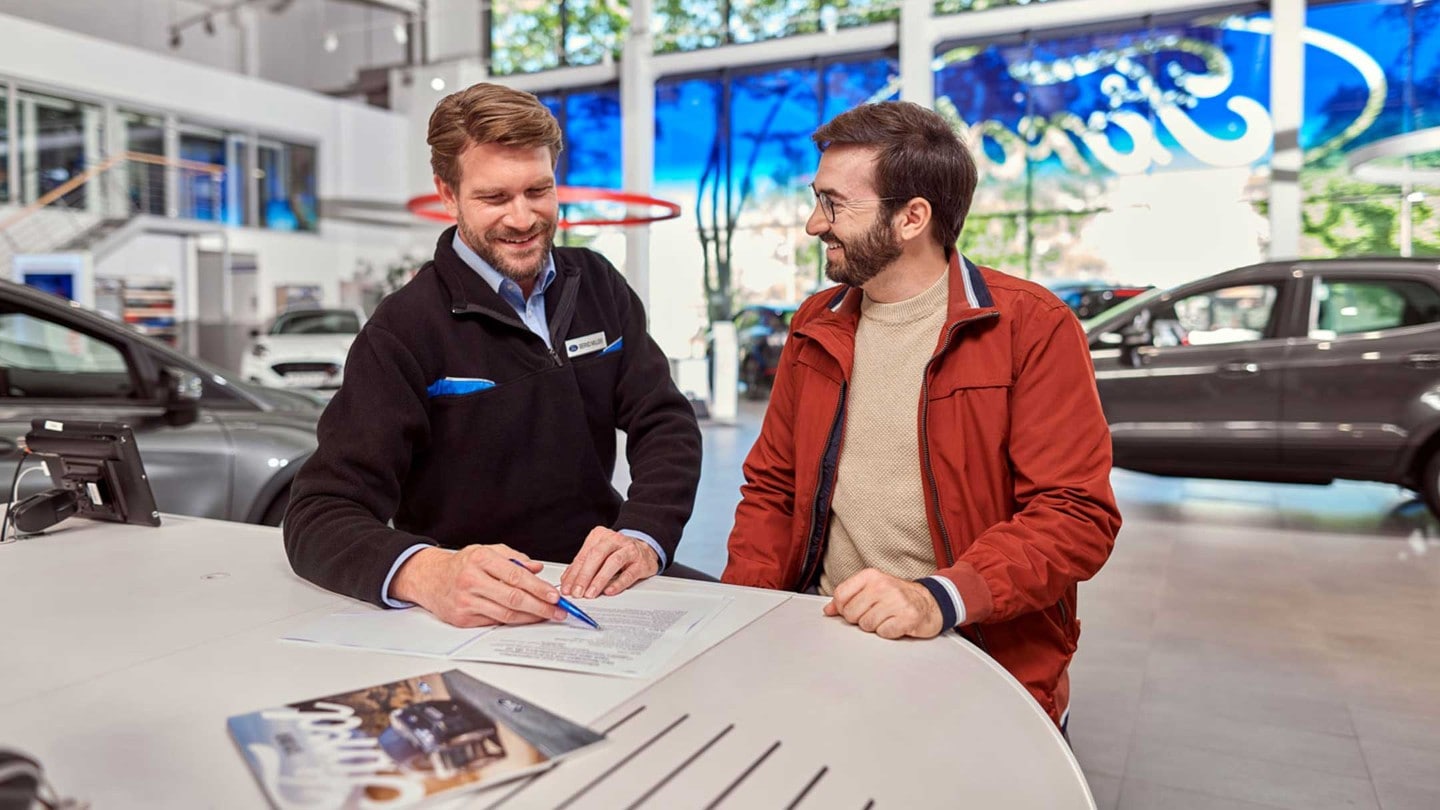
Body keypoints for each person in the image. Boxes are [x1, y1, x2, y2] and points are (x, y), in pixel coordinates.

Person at [722, 101, 1121, 728]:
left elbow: (1074, 516)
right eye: (816, 198)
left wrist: (939, 598)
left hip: (976, 650)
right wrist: (744, 612)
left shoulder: (1032, 327)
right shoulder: (814, 325)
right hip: (824, 639)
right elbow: (773, 488)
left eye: (834, 204)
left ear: (912, 218)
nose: (811, 223)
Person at [285, 82, 702, 629]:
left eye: (538, 190)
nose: (524, 218)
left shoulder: (597, 285)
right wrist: (427, 573)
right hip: (478, 611)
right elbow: (318, 514)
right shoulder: (404, 329)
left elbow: (665, 421)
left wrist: (644, 533)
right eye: (494, 197)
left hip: (601, 588)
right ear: (446, 193)